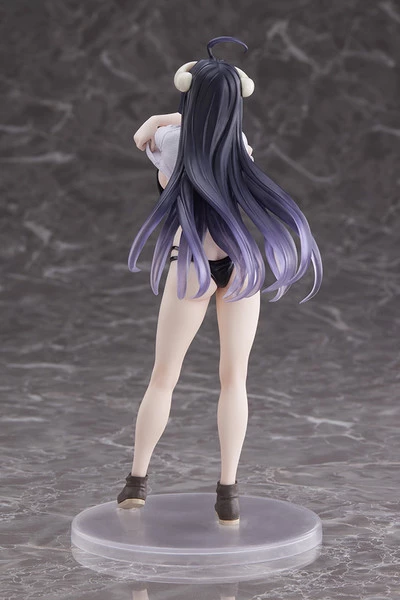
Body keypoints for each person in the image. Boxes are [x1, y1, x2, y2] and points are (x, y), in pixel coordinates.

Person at [117, 36, 323, 525]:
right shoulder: (240, 145)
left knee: (164, 377)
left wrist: (171, 116)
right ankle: (227, 494)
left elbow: (141, 136)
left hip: (191, 261)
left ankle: (136, 483)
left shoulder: (171, 142)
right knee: (235, 378)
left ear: (189, 97)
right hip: (241, 263)